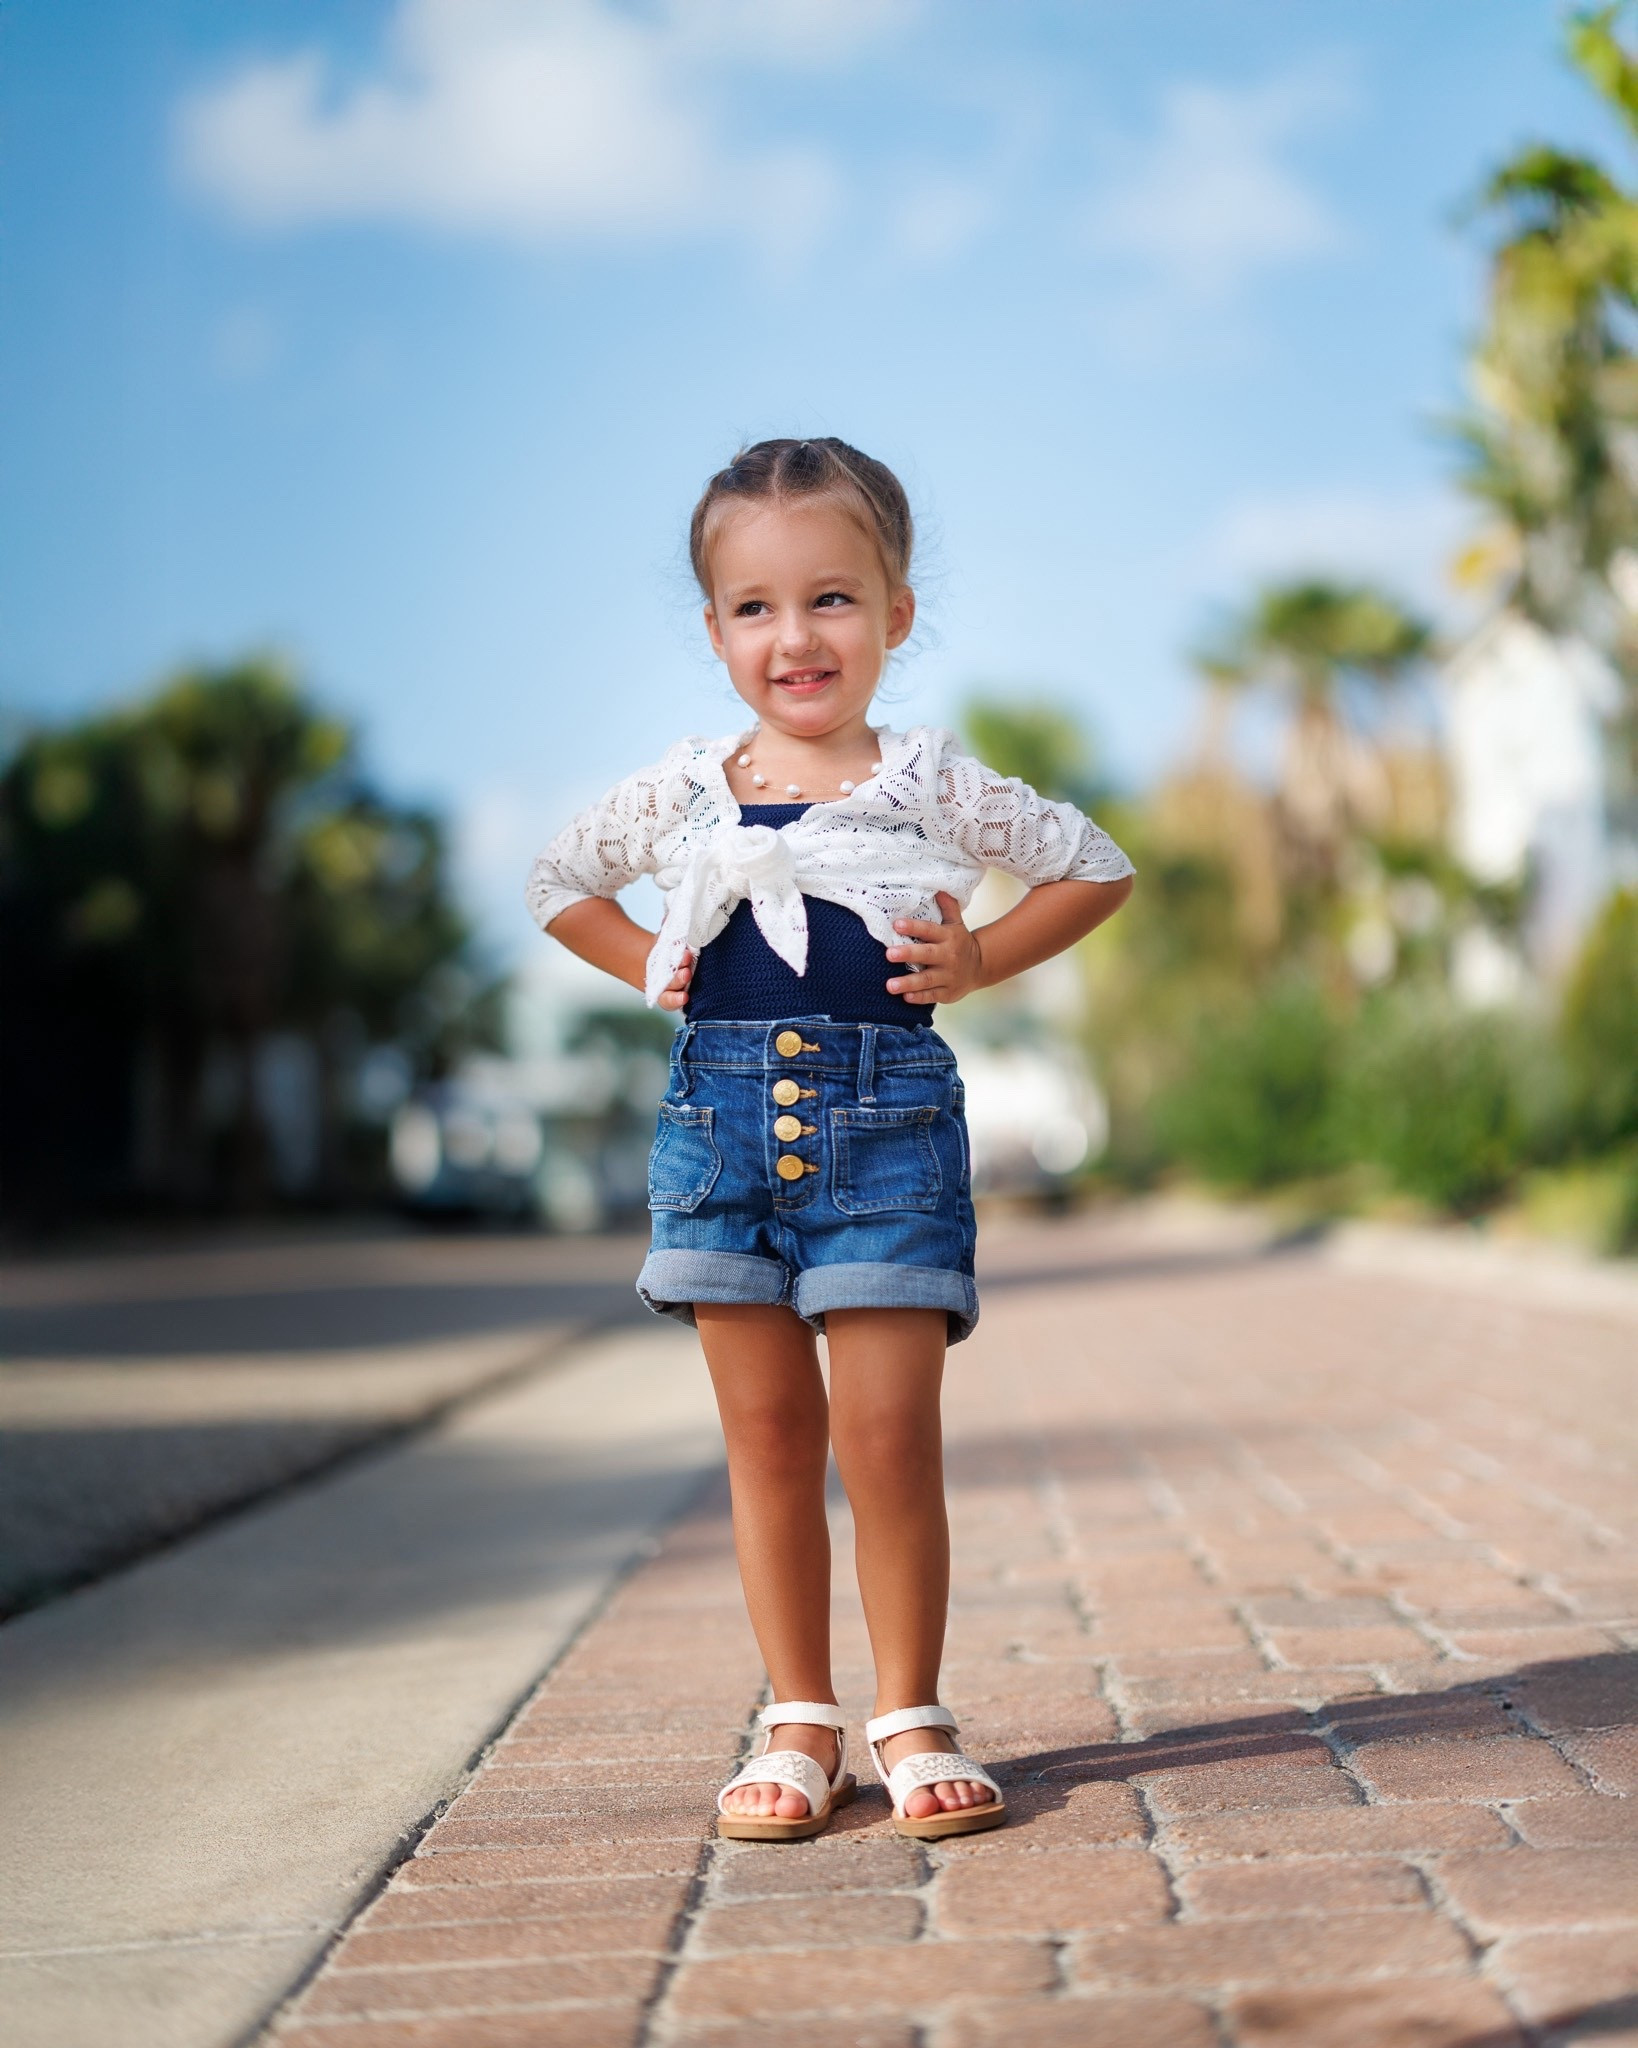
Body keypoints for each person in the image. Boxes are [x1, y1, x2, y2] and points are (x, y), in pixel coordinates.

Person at [527, 437, 1133, 1842]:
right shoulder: (684, 789)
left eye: (832, 599)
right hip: (716, 1143)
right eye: (754, 607)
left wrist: (977, 960)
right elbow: (560, 882)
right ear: (715, 630)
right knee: (766, 1435)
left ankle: (909, 1707)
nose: (794, 636)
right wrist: (644, 962)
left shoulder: (929, 781)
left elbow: (1092, 865)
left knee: (884, 1432)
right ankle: (797, 1712)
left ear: (895, 612)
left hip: (886, 1137)